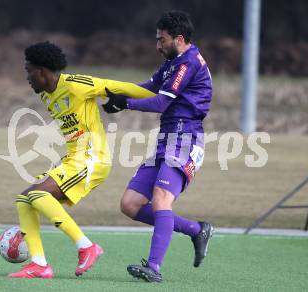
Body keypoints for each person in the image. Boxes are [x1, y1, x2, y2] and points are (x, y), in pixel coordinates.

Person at [9, 41, 155, 279]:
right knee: (24, 200)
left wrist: (164, 97)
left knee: (37, 195)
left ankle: (86, 247)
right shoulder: (47, 94)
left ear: (43, 71)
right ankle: (38, 264)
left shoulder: (76, 85)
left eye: (29, 71)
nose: (27, 78)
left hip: (91, 158)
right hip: (74, 159)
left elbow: (122, 87)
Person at [102, 11, 214, 282]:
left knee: (162, 199)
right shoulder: (173, 61)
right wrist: (113, 92)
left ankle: (153, 268)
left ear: (178, 38)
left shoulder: (187, 64)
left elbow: (160, 102)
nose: (157, 45)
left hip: (185, 140)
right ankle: (196, 229)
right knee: (130, 204)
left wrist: (125, 104)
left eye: (161, 39)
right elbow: (150, 87)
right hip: (167, 141)